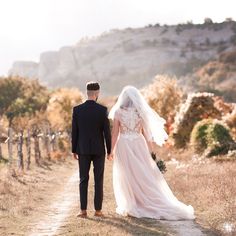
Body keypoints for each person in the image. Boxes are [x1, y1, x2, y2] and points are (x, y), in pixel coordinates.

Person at [109, 86, 195, 220]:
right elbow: (147, 134)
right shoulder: (140, 112)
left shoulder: (118, 112)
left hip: (124, 144)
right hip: (139, 143)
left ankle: (133, 203)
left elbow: (115, 133)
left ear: (123, 99)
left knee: (127, 174)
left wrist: (111, 150)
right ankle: (143, 200)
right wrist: (151, 152)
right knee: (143, 172)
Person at [72, 81, 111, 218]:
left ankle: (83, 211)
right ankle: (98, 211)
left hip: (82, 149)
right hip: (99, 150)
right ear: (97, 93)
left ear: (87, 93)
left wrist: (73, 149)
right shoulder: (102, 110)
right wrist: (110, 150)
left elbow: (74, 131)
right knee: (98, 180)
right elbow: (107, 132)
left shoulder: (77, 110)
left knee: (83, 179)